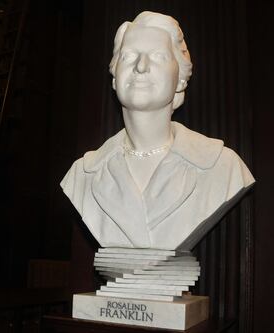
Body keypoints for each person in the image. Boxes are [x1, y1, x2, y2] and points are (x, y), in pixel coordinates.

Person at [61, 11, 255, 250]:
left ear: (181, 79)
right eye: (129, 56)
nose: (140, 67)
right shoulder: (82, 175)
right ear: (114, 77)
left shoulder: (222, 167)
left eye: (158, 57)